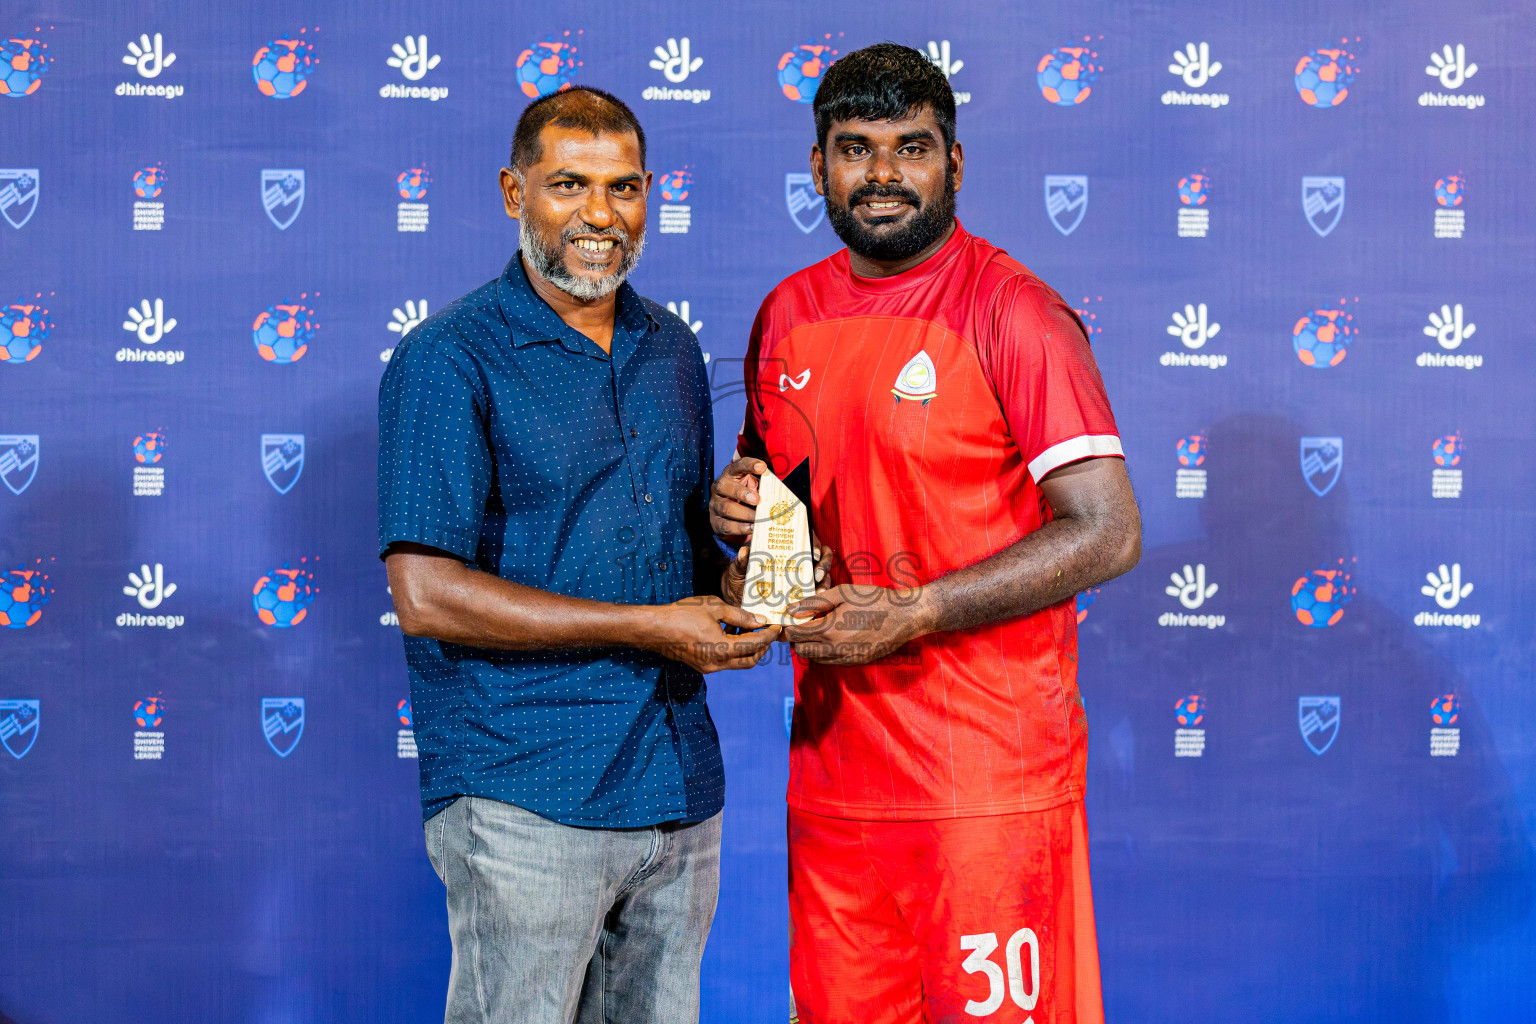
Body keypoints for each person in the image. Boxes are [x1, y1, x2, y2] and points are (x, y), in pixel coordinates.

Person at [710, 44, 1141, 1023]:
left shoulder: (1011, 310)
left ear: (954, 162)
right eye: (856, 149)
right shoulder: (786, 313)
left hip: (985, 788)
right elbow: (780, 534)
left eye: (912, 147)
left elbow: (1108, 531)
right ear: (817, 167)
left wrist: (920, 609)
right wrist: (735, 524)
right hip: (833, 785)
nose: (884, 175)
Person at [377, 87, 778, 1024]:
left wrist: (745, 573)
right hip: (527, 791)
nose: (600, 215)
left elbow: (667, 572)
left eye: (623, 187)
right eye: (569, 185)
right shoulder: (450, 356)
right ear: (514, 191)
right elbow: (426, 593)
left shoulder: (671, 349)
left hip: (678, 789)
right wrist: (652, 625)